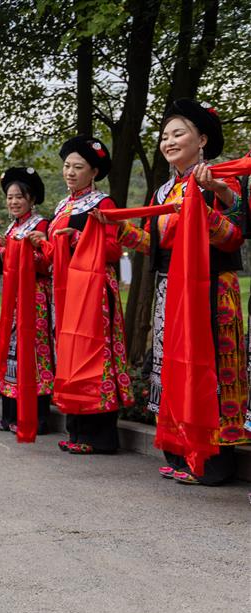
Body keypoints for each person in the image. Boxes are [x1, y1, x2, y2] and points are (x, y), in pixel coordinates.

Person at [113, 99, 248, 483]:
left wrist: (211, 199)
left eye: (179, 133)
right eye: (165, 135)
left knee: (211, 369)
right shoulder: (162, 192)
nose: (169, 141)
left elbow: (233, 235)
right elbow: (153, 245)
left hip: (210, 289)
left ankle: (212, 462)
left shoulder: (223, 178)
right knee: (174, 366)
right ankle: (180, 450)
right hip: (170, 289)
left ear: (202, 139)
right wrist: (117, 227)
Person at [35, 136, 134, 454]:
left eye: (78, 167)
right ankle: (77, 431)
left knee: (95, 356)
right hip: (65, 292)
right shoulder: (62, 206)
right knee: (70, 355)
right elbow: (54, 256)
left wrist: (80, 238)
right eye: (67, 165)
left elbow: (114, 248)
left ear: (94, 172)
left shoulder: (103, 204)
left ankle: (101, 436)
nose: (70, 172)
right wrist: (41, 244)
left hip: (93, 292)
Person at [0, 167, 53, 436]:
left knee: (33, 353)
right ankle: (10, 413)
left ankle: (37, 416)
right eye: (10, 197)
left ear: (31, 199)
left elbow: (47, 263)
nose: (14, 202)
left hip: (35, 297)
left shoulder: (41, 226)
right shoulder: (11, 228)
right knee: (11, 353)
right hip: (12, 298)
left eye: (19, 197)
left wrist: (30, 253)